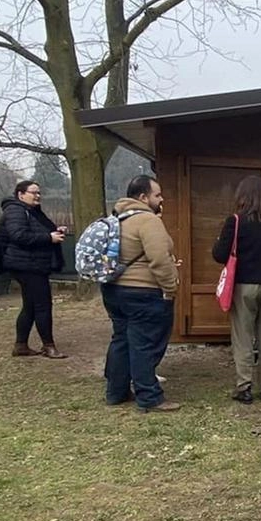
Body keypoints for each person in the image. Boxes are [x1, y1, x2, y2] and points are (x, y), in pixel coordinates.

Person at [103, 175, 181, 412]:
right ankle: (149, 397)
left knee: (121, 340)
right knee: (144, 344)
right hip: (143, 292)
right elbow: (158, 258)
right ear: (143, 197)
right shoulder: (148, 220)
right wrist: (171, 287)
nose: (161, 199)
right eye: (157, 195)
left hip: (113, 289)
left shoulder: (117, 218)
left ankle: (115, 392)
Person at [212, 175, 261, 403]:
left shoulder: (236, 220)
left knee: (243, 337)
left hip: (244, 286)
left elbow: (219, 255)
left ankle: (244, 386)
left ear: (242, 196)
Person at [0, 179, 68, 358]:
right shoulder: (16, 210)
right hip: (27, 265)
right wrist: (48, 238)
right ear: (21, 195)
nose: (38, 196)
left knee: (30, 305)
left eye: (39, 193)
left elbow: (36, 231)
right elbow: (19, 235)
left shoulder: (31, 211)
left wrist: (55, 231)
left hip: (32, 263)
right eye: (33, 192)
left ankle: (21, 345)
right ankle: (48, 346)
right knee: (43, 305)